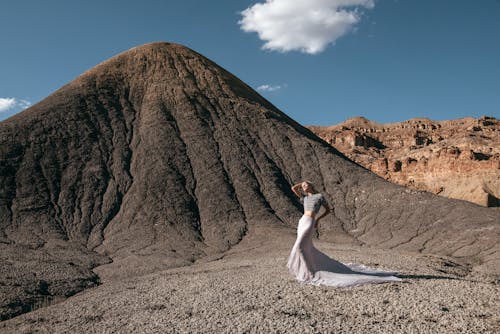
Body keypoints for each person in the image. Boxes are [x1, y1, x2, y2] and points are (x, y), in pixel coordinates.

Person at [287, 181, 403, 287]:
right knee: (304, 247)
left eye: (306, 185)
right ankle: (307, 270)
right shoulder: (305, 199)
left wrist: (318, 219)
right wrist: (300, 184)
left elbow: (328, 210)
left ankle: (309, 272)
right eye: (303, 187)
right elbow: (293, 188)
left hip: (310, 221)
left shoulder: (319, 197)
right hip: (302, 221)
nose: (304, 187)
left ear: (312, 186)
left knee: (301, 246)